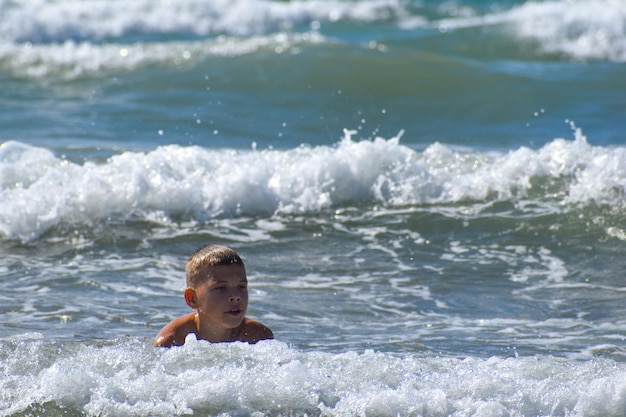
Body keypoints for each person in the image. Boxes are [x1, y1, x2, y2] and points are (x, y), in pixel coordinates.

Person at [154, 244, 273, 347]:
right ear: (192, 298)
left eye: (241, 286)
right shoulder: (173, 341)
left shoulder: (258, 337)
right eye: (221, 288)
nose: (236, 296)